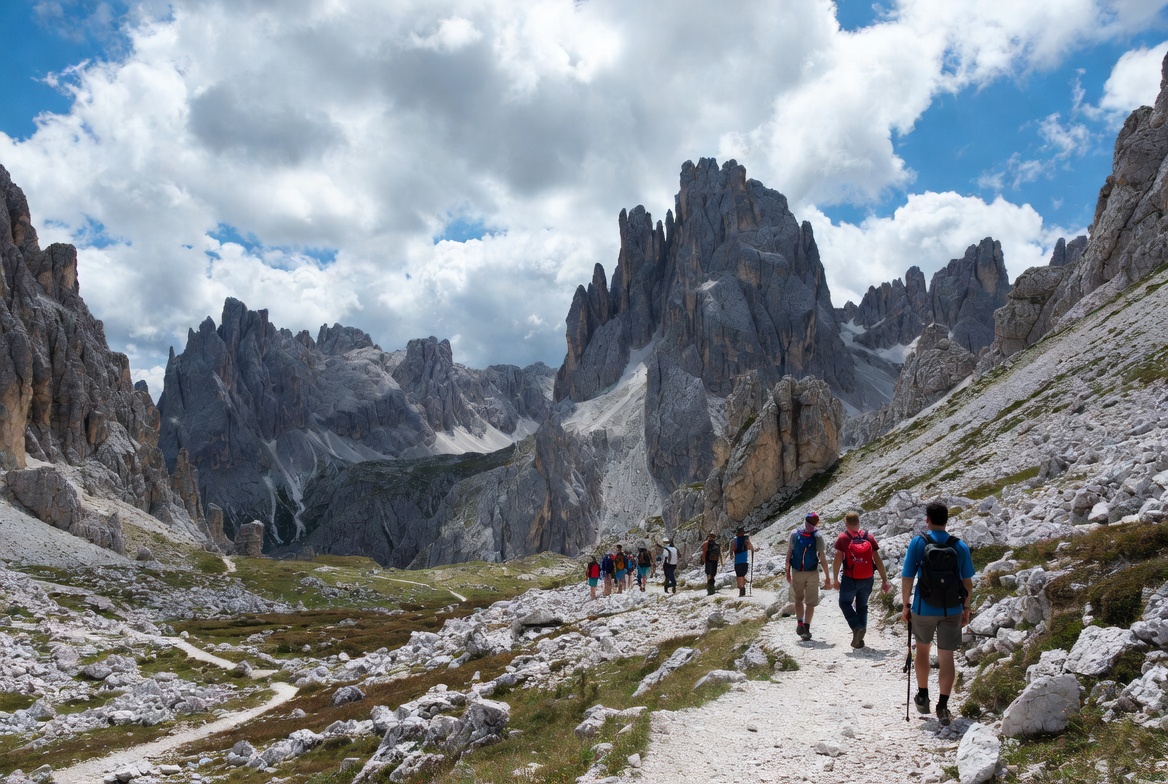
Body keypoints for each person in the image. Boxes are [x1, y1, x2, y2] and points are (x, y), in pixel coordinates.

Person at [901, 501, 975, 727]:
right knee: (946, 656)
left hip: (923, 607)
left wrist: (906, 604)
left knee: (922, 651)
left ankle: (923, 695)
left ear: (928, 520)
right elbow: (967, 582)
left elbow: (907, 576)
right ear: (946, 520)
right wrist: (966, 608)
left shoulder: (918, 542)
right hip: (951, 609)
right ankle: (942, 706)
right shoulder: (959, 545)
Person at [831, 511, 890, 648]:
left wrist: (835, 579)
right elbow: (877, 559)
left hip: (850, 579)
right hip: (868, 579)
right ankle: (859, 637)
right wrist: (884, 579)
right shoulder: (868, 536)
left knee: (845, 603)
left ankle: (857, 627)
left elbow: (838, 558)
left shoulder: (843, 537)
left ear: (846, 523)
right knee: (862, 606)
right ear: (858, 522)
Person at [785, 512, 832, 641]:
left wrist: (787, 572)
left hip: (797, 572)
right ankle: (806, 628)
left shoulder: (794, 533)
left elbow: (789, 554)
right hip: (812, 573)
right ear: (816, 523)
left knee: (798, 599)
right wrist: (827, 576)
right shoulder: (817, 535)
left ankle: (800, 623)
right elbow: (822, 558)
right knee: (810, 602)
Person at [730, 526, 755, 597]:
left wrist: (731, 555)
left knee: (739, 576)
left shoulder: (733, 541)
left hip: (737, 562)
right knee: (743, 575)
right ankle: (743, 589)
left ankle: (741, 589)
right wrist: (753, 550)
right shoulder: (746, 539)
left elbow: (731, 551)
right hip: (745, 561)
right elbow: (750, 547)